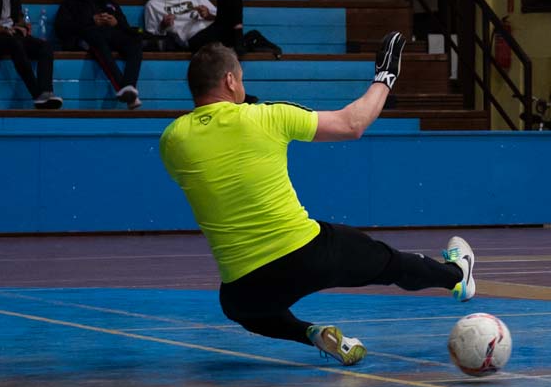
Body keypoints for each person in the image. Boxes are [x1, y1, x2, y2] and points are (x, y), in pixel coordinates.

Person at [159, 35, 474, 366]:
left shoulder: (173, 140)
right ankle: (457, 276)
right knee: (390, 263)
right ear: (229, 80)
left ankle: (310, 333)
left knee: (238, 307)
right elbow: (353, 124)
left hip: (245, 285)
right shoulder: (267, 116)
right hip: (308, 255)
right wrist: (384, 77)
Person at [142, 0, 282, 58]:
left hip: (216, 31)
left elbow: (222, 18)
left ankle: (239, 39)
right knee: (231, 42)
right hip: (195, 39)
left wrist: (208, 15)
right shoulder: (153, 5)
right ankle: (246, 40)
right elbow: (150, 35)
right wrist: (163, 26)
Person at [55, 0, 144, 108]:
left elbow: (125, 28)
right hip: (85, 39)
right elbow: (62, 28)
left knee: (134, 42)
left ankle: (128, 87)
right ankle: (124, 90)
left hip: (110, 35)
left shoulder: (109, 3)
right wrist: (91, 21)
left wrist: (115, 22)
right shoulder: (71, 2)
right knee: (96, 37)